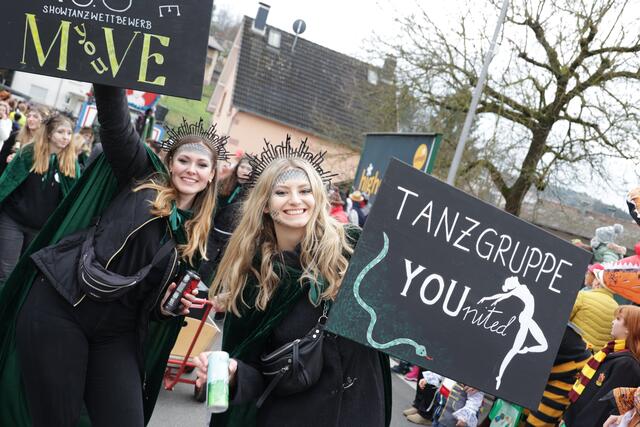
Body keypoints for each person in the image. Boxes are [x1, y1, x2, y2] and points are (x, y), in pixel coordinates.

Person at [5, 84, 229, 427]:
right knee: (57, 418)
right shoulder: (141, 178)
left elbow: (156, 303)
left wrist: (167, 307)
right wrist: (111, 78)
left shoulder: (200, 236)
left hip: (117, 332)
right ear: (169, 163)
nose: (191, 170)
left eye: (201, 165)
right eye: (184, 160)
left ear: (212, 174)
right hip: (63, 304)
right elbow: (116, 126)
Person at [194, 139, 391, 427]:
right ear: (265, 204)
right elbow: (256, 370)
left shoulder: (354, 249)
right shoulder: (254, 277)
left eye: (305, 191)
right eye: (281, 192)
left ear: (318, 197)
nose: (295, 200)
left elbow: (397, 317)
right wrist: (235, 374)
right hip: (293, 416)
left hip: (358, 410)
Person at [0, 114, 79, 284]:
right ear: (49, 134)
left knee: (25, 274)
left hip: (40, 229)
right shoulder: (28, 153)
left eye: (69, 133)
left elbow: (73, 198)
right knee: (6, 272)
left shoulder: (71, 163)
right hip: (13, 220)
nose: (65, 137)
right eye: (60, 132)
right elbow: (7, 183)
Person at [563, 305, 640, 427]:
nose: (613, 322)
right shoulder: (610, 352)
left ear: (629, 328)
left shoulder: (627, 365)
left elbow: (600, 408)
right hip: (573, 418)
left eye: (618, 319)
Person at [478, 276, 548, 389]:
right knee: (515, 350)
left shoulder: (522, 287)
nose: (511, 277)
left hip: (527, 319)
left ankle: (523, 352)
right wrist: (488, 298)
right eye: (509, 280)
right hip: (525, 318)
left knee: (539, 347)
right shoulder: (517, 290)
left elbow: (502, 295)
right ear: (511, 284)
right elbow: (502, 295)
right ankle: (499, 376)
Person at [198, 155, 252, 283]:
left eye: (248, 169)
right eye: (242, 167)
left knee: (219, 269)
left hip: (232, 238)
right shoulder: (225, 183)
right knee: (204, 263)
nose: (244, 171)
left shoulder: (251, 192)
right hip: (213, 232)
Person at [569, 263, 619, 349]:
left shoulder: (583, 296)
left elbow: (563, 319)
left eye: (595, 279)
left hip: (573, 349)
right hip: (595, 356)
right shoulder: (617, 308)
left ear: (598, 283)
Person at [0, 105, 48, 176]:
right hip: (8, 177)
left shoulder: (46, 142)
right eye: (28, 116)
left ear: (43, 121)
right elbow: (2, 157)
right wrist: (7, 159)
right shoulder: (16, 136)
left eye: (35, 117)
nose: (30, 119)